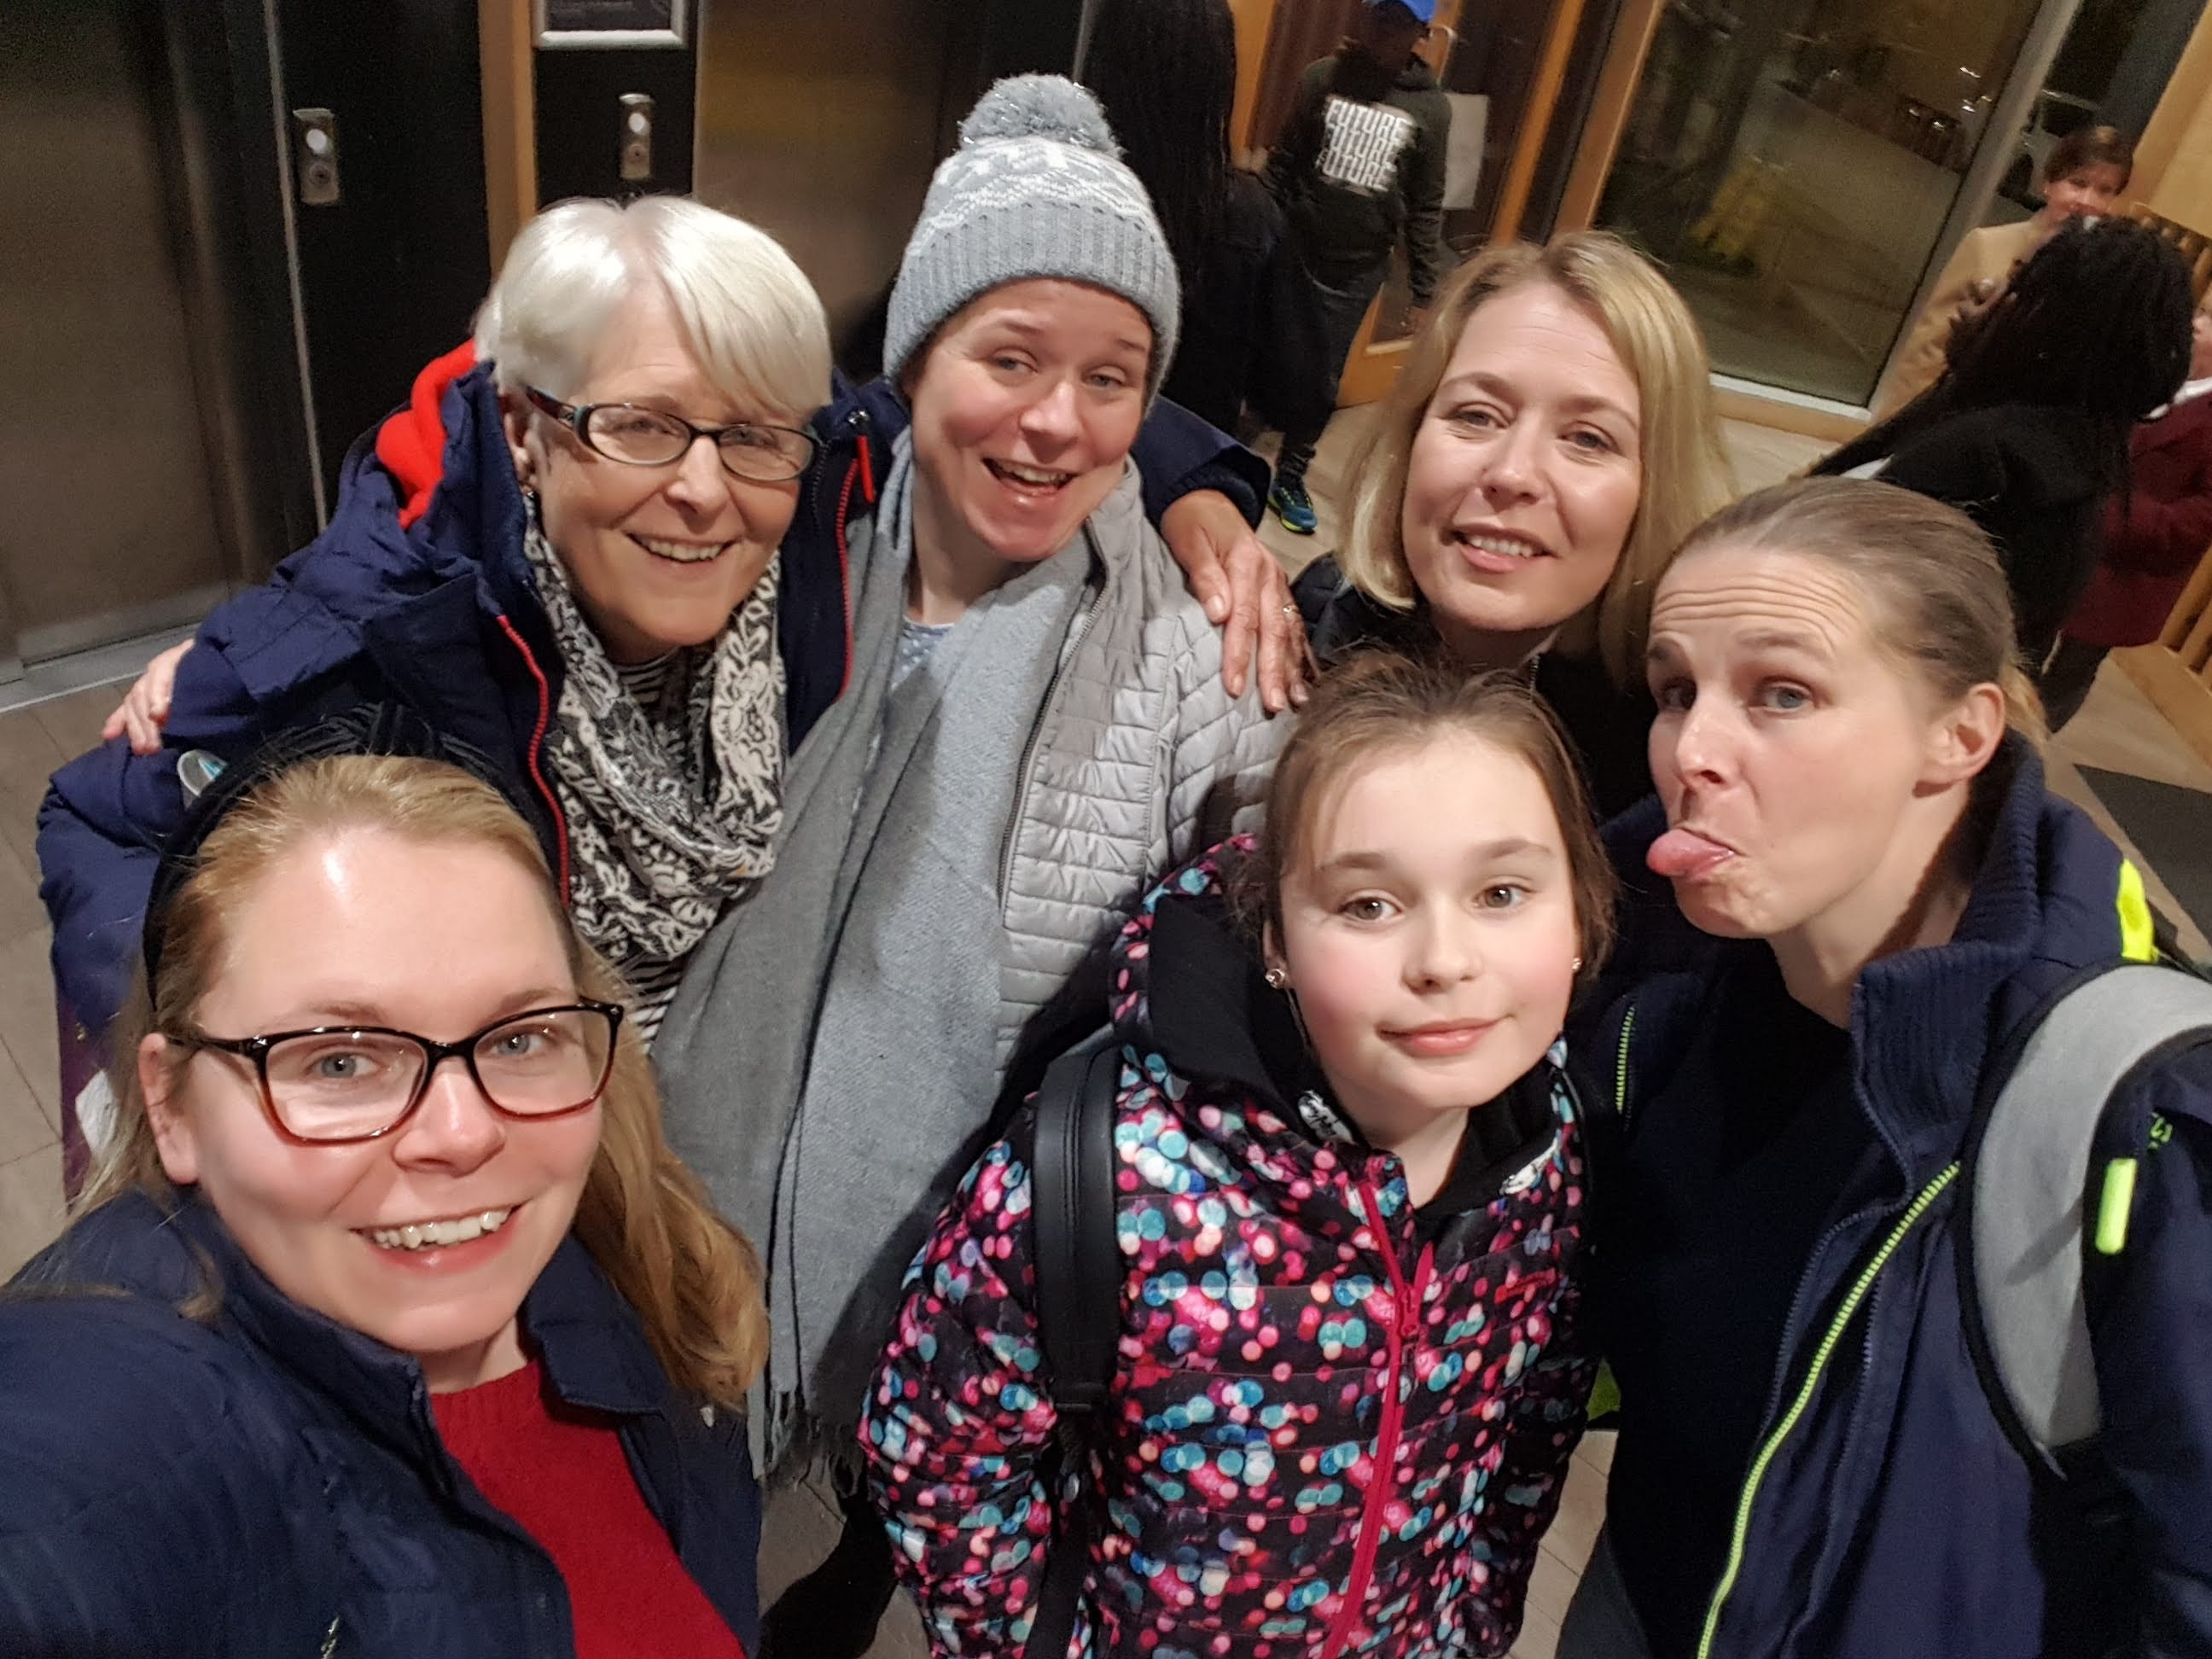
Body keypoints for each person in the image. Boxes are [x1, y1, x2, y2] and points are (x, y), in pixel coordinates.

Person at [44, 192, 1301, 1160]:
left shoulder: (814, 505)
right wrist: (203, 1099)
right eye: (640, 426)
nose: (703, 490)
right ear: (528, 430)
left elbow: (1003, 387)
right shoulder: (371, 662)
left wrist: (1199, 489)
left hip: (678, 1168)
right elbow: (103, 825)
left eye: (748, 435)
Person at [651, 74, 1284, 1651]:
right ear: (917, 360)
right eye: (1009, 358)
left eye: (1112, 379)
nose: (1058, 420)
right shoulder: (769, 559)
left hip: (961, 1306)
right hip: (665, 1211)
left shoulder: (1199, 655)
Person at [1565, 478, 2212, 1658]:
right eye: (1676, 691)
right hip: (1638, 1597)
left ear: (1960, 735)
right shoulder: (1655, 982)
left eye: (1783, 694)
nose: (1691, 752)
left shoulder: (2143, 1105)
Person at [862, 650, 1612, 1659]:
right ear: (1276, 942)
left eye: (1503, 892)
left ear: (1580, 915)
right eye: (1368, 905)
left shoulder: (1556, 1160)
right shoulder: (1111, 1174)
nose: (1444, 960)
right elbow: (938, 1455)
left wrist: (1473, 1618)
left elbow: (1537, 1416)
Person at [0, 721, 771, 1656]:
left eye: (519, 1038)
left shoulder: (633, 1253)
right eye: (339, 1060)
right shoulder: (136, 1409)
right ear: (172, 1106)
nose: (463, 1133)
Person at [1293, 230, 1736, 818]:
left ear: (1658, 488)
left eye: (1587, 439)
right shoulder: (1314, 618)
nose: (1511, 472)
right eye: (1477, 415)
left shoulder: (1685, 769)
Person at [1813, 217, 2192, 669]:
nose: (1984, 292)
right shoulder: (2012, 427)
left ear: (2056, 324)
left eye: (2016, 282)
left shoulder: (1991, 460)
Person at [1260, 0, 1451, 536]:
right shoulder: (1323, 77)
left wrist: (1424, 291)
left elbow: (1425, 204)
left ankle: (1291, 474)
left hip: (1358, 267)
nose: (1383, 29)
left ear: (1420, 31)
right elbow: (1285, 161)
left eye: (1399, 20)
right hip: (1294, 246)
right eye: (1377, 14)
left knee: (1323, 375)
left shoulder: (1432, 109)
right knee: (1266, 347)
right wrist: (1260, 230)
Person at [1083, 0, 1281, 435]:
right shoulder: (1248, 215)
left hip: (1063, 445)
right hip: (1189, 454)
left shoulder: (1049, 190)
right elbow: (1292, 386)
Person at [1873, 125, 2134, 419]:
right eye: (2077, 183)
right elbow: (1929, 350)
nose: (2087, 201)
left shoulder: (2103, 273)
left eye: (2104, 191)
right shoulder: (1987, 245)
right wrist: (1896, 424)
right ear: (2048, 183)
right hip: (1952, 416)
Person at [2041, 284, 2212, 731]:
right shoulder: (2154, 370)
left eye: (2211, 319)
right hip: (2064, 538)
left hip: (2130, 568)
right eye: (2200, 310)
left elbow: (2202, 517)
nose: (2195, 323)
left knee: (2071, 671)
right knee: (2022, 640)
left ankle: (2024, 748)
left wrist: (2115, 514)